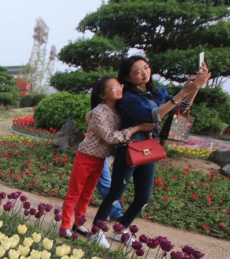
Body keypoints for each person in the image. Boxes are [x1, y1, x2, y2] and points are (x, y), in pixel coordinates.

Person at [92, 55, 210, 243]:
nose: (144, 73)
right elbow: (152, 115)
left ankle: (120, 229)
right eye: (138, 71)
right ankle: (96, 231)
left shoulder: (158, 93)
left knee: (143, 198)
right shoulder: (128, 98)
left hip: (149, 149)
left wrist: (194, 89)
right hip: (129, 149)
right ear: (128, 77)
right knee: (116, 194)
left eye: (146, 68)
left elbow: (180, 108)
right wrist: (182, 92)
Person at [59, 76, 155, 246]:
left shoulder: (121, 110)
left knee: (87, 194)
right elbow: (110, 137)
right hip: (86, 157)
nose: (119, 90)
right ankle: (65, 226)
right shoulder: (99, 112)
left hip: (100, 160)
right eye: (114, 88)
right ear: (103, 95)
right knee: (75, 193)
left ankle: (78, 224)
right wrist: (138, 128)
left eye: (120, 86)